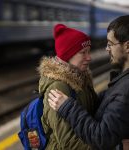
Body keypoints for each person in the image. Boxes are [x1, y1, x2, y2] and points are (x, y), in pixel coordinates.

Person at [48, 15, 129, 150]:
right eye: (82, 52)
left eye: (110, 44)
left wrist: (68, 107)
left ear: (127, 46)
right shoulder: (58, 86)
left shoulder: (125, 89)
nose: (107, 49)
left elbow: (102, 138)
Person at [38, 24, 98, 150]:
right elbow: (68, 143)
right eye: (83, 52)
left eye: (89, 51)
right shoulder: (58, 87)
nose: (89, 57)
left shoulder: (81, 78)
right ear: (67, 54)